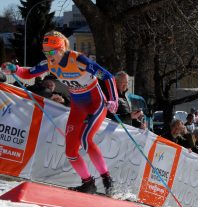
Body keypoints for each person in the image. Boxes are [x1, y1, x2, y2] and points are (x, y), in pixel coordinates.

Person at [1, 30, 118, 195]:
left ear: (62, 48)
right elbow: (28, 73)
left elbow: (107, 76)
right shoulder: (49, 63)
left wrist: (114, 99)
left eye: (52, 51)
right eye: (46, 52)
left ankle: (107, 179)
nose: (49, 55)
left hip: (95, 103)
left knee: (85, 139)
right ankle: (88, 183)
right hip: (78, 107)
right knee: (70, 151)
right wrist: (14, 68)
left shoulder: (78, 60)